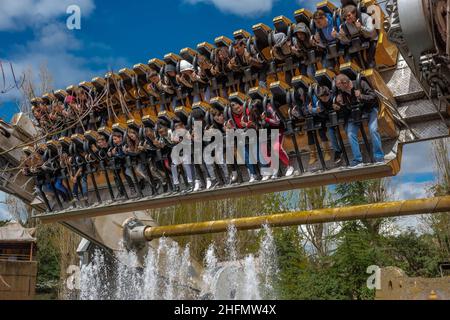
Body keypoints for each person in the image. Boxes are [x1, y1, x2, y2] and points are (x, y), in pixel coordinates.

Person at [334, 73, 384, 167]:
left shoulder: (360, 83)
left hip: (369, 109)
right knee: (350, 133)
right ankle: (358, 160)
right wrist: (340, 105)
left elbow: (373, 97)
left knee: (373, 130)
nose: (338, 89)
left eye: (339, 86)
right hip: (355, 113)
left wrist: (361, 96)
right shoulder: (341, 93)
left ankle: (379, 157)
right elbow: (346, 111)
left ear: (345, 83)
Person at [226, 100, 259, 183]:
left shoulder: (246, 110)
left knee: (256, 154)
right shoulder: (232, 116)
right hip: (242, 136)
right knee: (245, 155)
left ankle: (262, 171)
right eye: (235, 109)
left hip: (253, 133)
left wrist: (246, 124)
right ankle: (252, 174)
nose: (238, 110)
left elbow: (253, 123)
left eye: (239, 107)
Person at [314, 86, 342, 164]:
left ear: (329, 93)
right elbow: (323, 115)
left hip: (340, 115)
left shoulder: (334, 97)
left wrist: (339, 108)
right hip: (329, 119)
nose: (325, 97)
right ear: (319, 97)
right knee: (330, 131)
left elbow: (343, 106)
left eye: (326, 95)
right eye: (322, 96)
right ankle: (337, 151)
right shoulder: (319, 103)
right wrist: (318, 112)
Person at [108, 131, 138, 196]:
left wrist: (115, 154)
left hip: (130, 161)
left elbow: (123, 155)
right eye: (113, 139)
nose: (114, 141)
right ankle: (130, 189)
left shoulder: (125, 144)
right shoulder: (116, 146)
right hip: (123, 163)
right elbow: (120, 155)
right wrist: (113, 154)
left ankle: (135, 186)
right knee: (122, 173)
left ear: (121, 138)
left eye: (115, 139)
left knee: (127, 173)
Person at [170, 119, 194, 193]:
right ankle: (176, 184)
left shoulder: (187, 132)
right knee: (173, 165)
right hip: (181, 153)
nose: (177, 129)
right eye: (176, 128)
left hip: (190, 151)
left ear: (183, 126)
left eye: (179, 127)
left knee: (186, 164)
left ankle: (191, 183)